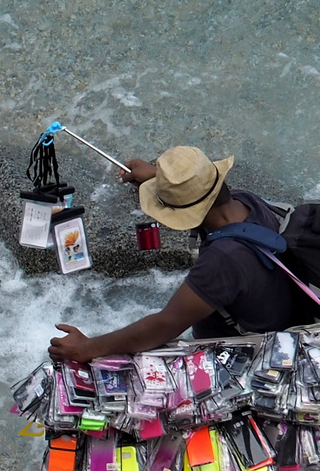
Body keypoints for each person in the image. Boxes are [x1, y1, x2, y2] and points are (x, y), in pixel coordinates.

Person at [48, 146, 302, 363]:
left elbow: (165, 325)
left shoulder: (223, 260)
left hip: (246, 354)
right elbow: (205, 193)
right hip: (281, 315)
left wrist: (88, 348)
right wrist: (161, 180)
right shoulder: (246, 201)